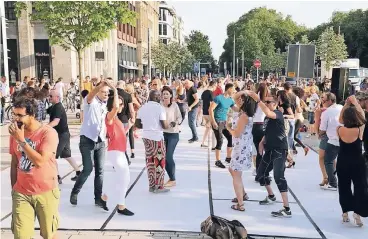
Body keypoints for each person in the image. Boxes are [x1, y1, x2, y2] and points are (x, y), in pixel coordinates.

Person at [9, 97, 60, 239]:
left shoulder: (47, 133)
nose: (16, 118)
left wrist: (21, 141)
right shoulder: (16, 133)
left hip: (46, 191)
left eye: (20, 115)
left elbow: (40, 161)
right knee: (21, 235)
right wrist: (14, 188)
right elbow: (14, 162)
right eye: (14, 114)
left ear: (32, 115)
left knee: (49, 234)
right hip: (22, 192)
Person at [247, 91, 292, 218]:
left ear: (275, 104)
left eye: (268, 102)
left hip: (279, 149)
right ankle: (271, 196)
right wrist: (262, 142)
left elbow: (268, 112)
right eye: (265, 101)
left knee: (279, 177)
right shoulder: (267, 118)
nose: (266, 104)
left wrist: (258, 100)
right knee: (261, 174)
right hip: (269, 149)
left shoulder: (277, 114)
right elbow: (267, 132)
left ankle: (287, 208)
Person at [70, 80, 111, 206]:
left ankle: (97, 198)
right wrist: (99, 86)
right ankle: (75, 192)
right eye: (103, 92)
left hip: (100, 140)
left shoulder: (105, 104)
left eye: (107, 93)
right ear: (97, 92)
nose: (105, 95)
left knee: (100, 170)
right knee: (88, 168)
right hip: (87, 140)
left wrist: (112, 87)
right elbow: (90, 95)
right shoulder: (90, 102)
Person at [100, 85, 134, 216]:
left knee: (121, 178)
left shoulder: (118, 120)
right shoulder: (110, 117)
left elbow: (119, 135)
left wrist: (128, 127)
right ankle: (121, 206)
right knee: (125, 178)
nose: (121, 107)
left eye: (122, 104)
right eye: (119, 104)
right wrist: (114, 91)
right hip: (115, 152)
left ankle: (105, 197)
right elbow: (114, 108)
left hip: (119, 151)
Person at [336, 95, 368, 226]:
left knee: (343, 187)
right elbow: (363, 117)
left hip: (342, 162)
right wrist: (355, 103)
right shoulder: (359, 129)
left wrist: (345, 106)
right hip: (357, 163)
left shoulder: (339, 129)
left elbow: (339, 119)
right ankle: (358, 214)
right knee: (360, 187)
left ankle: (345, 213)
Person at [135, 90, 170, 193]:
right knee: (159, 162)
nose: (161, 98)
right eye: (160, 96)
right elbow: (164, 126)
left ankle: (151, 185)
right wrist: (170, 124)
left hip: (146, 137)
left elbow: (137, 124)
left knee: (150, 161)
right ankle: (159, 186)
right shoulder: (160, 108)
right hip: (157, 138)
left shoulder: (143, 108)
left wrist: (147, 125)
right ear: (157, 97)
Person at [226, 93, 257, 211]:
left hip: (241, 148)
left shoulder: (244, 116)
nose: (238, 100)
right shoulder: (243, 113)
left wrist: (229, 128)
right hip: (241, 147)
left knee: (236, 173)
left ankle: (240, 204)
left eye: (242, 99)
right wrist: (245, 92)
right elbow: (233, 98)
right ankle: (242, 194)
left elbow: (237, 133)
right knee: (232, 170)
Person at [48, 89, 80, 184]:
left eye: (51, 96)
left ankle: (56, 177)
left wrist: (44, 128)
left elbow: (56, 122)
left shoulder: (58, 107)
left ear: (57, 97)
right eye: (49, 96)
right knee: (67, 155)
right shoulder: (54, 107)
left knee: (52, 156)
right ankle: (78, 172)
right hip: (64, 134)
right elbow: (44, 111)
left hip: (61, 135)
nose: (49, 98)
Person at [209, 83, 237, 168]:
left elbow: (235, 108)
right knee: (220, 140)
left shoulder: (230, 100)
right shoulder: (219, 98)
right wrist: (213, 121)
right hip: (217, 121)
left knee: (230, 137)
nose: (234, 91)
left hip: (224, 122)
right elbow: (210, 109)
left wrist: (244, 109)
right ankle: (217, 161)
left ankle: (228, 158)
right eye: (233, 89)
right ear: (228, 89)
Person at [319, 92, 343, 191]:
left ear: (329, 101)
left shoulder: (326, 112)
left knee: (328, 161)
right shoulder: (341, 107)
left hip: (333, 140)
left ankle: (333, 183)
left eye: (323, 100)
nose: (322, 102)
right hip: (346, 139)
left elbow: (322, 130)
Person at [161, 86, 182, 187]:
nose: (165, 95)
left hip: (173, 134)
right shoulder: (159, 106)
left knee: (169, 156)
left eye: (167, 94)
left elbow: (180, 117)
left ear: (170, 95)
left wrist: (176, 122)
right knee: (164, 158)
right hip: (162, 134)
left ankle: (173, 179)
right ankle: (171, 178)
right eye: (163, 94)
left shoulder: (174, 105)